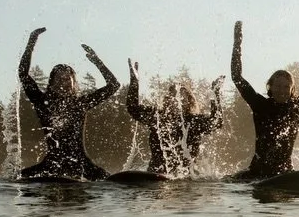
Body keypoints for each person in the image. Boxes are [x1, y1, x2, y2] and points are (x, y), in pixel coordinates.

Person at [17, 27, 119, 180]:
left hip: (82, 164)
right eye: (59, 79)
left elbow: (113, 85)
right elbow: (23, 74)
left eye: (67, 80)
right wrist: (31, 42)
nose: (62, 83)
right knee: (17, 178)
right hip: (51, 164)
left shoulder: (81, 103)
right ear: (51, 83)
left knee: (111, 181)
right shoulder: (42, 101)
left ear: (73, 84)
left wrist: (98, 62)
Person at [231, 20, 299, 180]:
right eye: (278, 86)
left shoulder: (298, 107)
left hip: (284, 172)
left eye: (286, 86)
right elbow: (237, 77)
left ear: (291, 89)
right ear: (270, 88)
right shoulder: (260, 105)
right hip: (258, 173)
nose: (282, 90)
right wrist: (237, 42)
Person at [125, 61, 224, 177]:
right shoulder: (157, 117)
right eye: (174, 96)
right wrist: (134, 81)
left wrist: (215, 94)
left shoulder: (194, 121)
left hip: (187, 180)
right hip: (156, 176)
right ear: (167, 99)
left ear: (189, 101)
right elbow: (133, 108)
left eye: (182, 97)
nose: (177, 100)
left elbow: (217, 122)